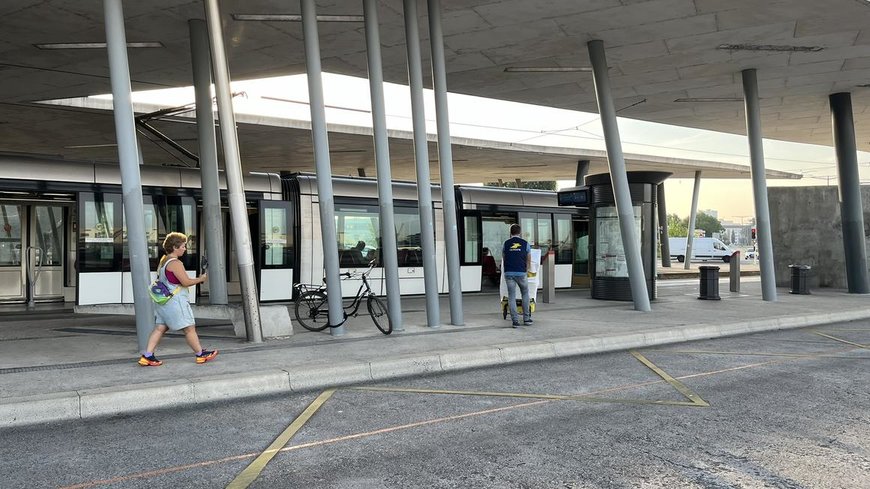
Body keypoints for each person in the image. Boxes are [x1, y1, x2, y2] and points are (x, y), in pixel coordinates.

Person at [138, 232, 217, 366]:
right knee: (189, 328)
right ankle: (200, 354)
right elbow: (185, 282)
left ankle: (147, 355)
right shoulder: (175, 263)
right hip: (176, 302)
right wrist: (201, 279)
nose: (185, 249)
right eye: (183, 246)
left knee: (160, 328)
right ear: (175, 247)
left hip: (163, 302)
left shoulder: (164, 261)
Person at [502, 223, 532, 327]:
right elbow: (529, 259)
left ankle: (515, 321)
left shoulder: (506, 243)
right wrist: (526, 270)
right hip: (521, 272)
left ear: (510, 232)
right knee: (525, 293)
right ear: (520, 232)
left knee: (511, 296)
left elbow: (504, 257)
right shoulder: (525, 243)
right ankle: (526, 319)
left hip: (509, 272)